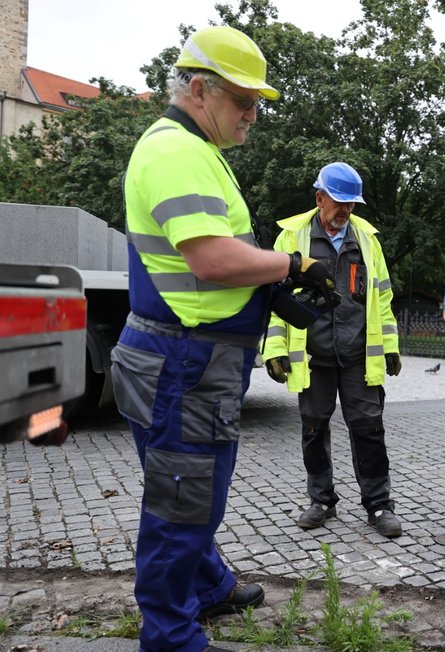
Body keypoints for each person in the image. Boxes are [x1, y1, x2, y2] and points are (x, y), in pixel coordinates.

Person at [111, 27, 335, 652]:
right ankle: (169, 632)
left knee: (188, 488)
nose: (253, 116)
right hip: (183, 363)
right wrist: (288, 267)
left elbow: (203, 262)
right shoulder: (179, 153)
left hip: (180, 356)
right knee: (182, 503)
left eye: (258, 103)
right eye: (244, 102)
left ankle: (206, 585)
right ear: (201, 90)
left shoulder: (186, 148)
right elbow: (212, 259)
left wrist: (264, 288)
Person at [262, 162, 403, 538]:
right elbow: (272, 299)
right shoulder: (292, 238)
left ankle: (378, 505)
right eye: (339, 202)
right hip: (313, 356)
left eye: (351, 204)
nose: (345, 210)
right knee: (313, 427)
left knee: (369, 428)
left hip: (359, 355)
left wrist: (389, 345)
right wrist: (274, 348)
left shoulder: (367, 240)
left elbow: (383, 296)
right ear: (319, 197)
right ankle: (321, 500)